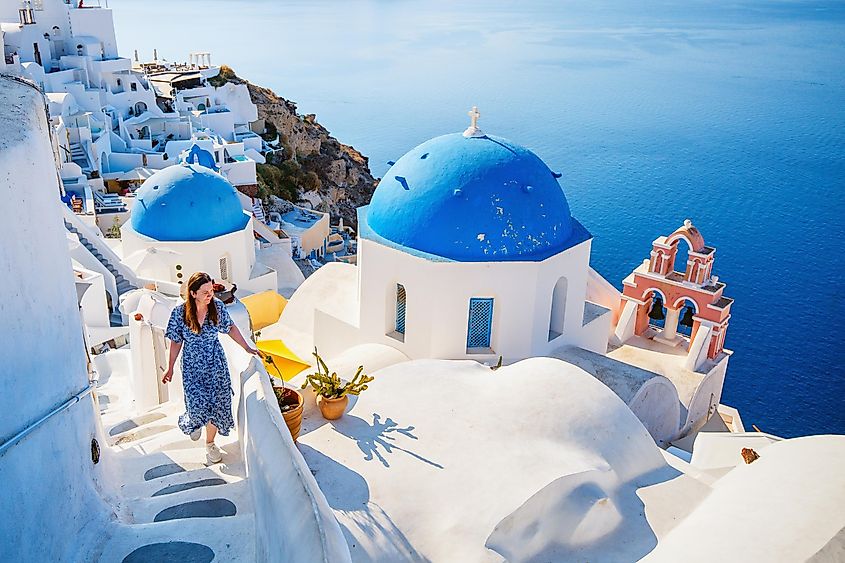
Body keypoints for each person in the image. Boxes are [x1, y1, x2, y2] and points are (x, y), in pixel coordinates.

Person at [162, 272, 258, 463]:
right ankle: (194, 420)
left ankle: (210, 443)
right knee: (197, 405)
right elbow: (175, 342)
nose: (209, 295)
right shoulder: (180, 313)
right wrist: (170, 367)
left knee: (217, 404)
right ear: (193, 293)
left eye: (210, 291)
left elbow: (230, 327)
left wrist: (247, 347)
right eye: (204, 292)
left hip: (215, 363)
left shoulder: (218, 308)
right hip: (192, 366)